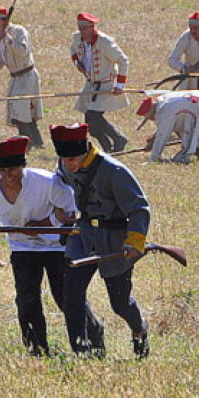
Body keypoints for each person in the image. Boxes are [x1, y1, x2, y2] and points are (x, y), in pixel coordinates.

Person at [0, 136, 88, 356]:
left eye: (13, 170)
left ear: (22, 166)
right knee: (26, 299)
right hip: (22, 249)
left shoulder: (47, 183)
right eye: (3, 170)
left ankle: (87, 340)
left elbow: (72, 211)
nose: (8, 176)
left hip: (56, 246)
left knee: (66, 298)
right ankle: (37, 350)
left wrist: (45, 224)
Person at [52, 123, 150, 359]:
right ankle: (81, 349)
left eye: (72, 158)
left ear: (86, 149)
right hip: (83, 235)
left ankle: (139, 330)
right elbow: (59, 184)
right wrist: (59, 210)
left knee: (120, 303)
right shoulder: (64, 165)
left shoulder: (114, 171)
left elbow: (139, 209)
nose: (68, 164)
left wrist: (133, 241)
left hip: (114, 239)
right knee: (71, 295)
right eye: (64, 159)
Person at [0, 4, 45, 148]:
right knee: (21, 111)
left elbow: (23, 51)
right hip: (16, 78)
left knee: (22, 111)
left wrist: (8, 38)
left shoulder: (19, 31)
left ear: (2, 20)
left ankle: (28, 143)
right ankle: (36, 142)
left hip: (27, 76)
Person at [70, 13, 130, 153]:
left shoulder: (105, 42)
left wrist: (120, 85)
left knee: (93, 116)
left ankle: (119, 138)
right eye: (80, 28)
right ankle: (108, 148)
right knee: (90, 125)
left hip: (106, 83)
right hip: (91, 83)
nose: (82, 31)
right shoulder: (76, 38)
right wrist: (77, 63)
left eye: (85, 28)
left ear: (92, 27)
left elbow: (123, 61)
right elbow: (72, 50)